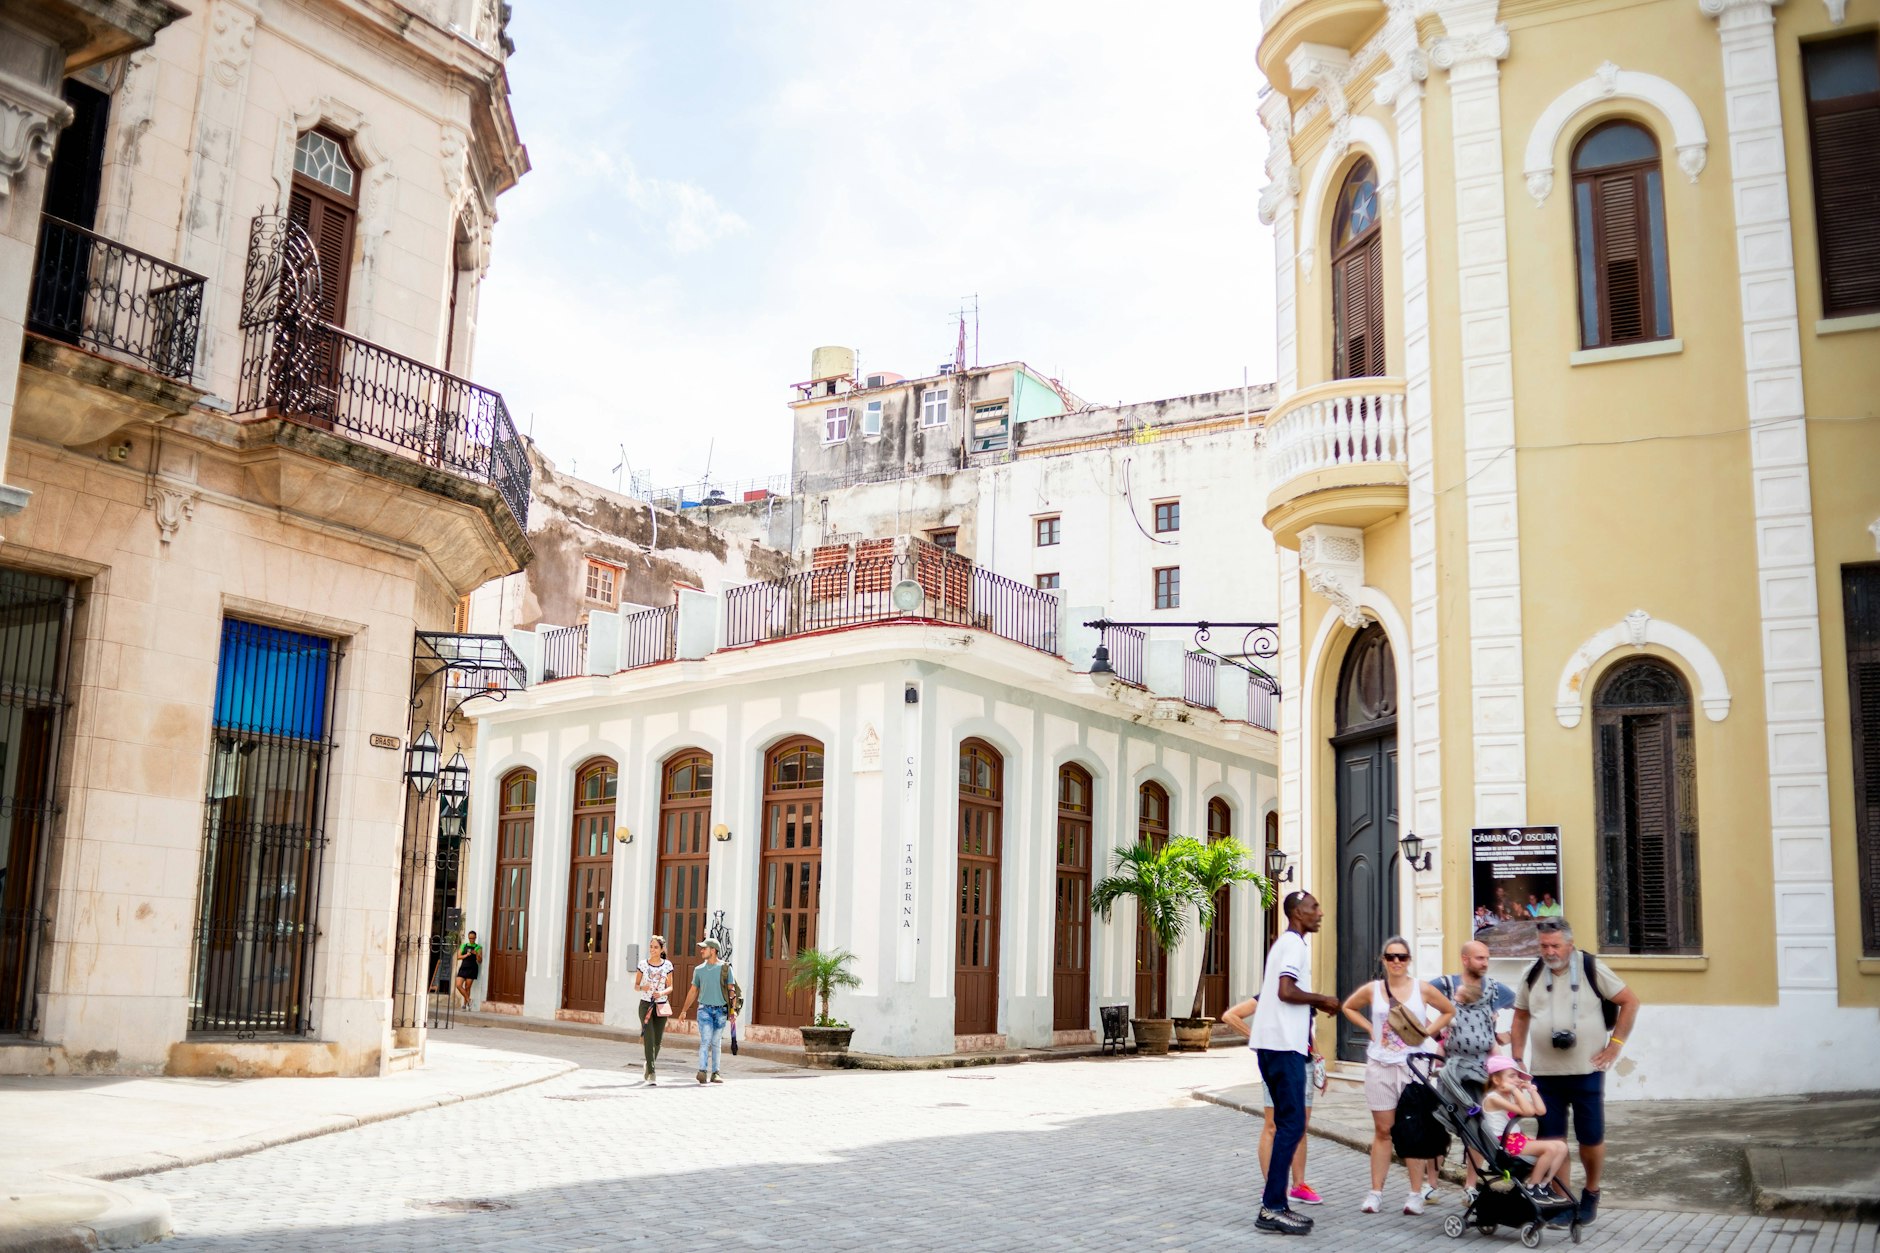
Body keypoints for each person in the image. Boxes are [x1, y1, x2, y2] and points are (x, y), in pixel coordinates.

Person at [1510, 917, 1641, 1228]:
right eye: (1544, 946)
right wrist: (1517, 1059)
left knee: (1590, 1137)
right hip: (1544, 1075)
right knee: (1553, 1140)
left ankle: (1592, 1193)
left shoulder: (1590, 967)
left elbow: (1630, 1001)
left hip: (1587, 1071)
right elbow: (1519, 1017)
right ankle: (1563, 1199)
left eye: (1555, 945)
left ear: (1569, 944)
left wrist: (1615, 1045)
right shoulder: (1532, 974)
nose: (1550, 951)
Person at [1248, 891, 1344, 1237]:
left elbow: (1286, 997)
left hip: (1274, 1045)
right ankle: (1272, 1207)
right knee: (1291, 1126)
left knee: (1289, 1124)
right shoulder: (1294, 945)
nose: (1320, 912)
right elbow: (1285, 991)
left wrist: (1311, 1007)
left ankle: (1276, 1204)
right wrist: (1324, 999)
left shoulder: (1288, 944)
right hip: (1282, 1047)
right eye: (1314, 907)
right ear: (1297, 913)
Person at [1340, 936, 1455, 1216]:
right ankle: (1375, 1192)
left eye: (1401, 957)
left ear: (1409, 960)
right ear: (1383, 960)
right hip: (1380, 1065)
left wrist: (1427, 1033)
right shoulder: (1374, 989)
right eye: (1390, 957)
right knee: (1382, 1131)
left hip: (1412, 1067)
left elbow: (1449, 1010)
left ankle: (1415, 1194)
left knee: (1411, 1130)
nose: (1396, 962)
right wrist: (1369, 1028)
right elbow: (1348, 1007)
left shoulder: (1422, 989)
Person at [1222, 994, 1324, 1207]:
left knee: (1300, 1126)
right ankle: (1272, 1185)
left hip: (1304, 1064)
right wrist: (1259, 1040)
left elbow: (1309, 1030)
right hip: (1279, 1064)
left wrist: (1319, 1060)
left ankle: (1299, 1185)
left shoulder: (1303, 996)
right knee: (1273, 1125)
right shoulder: (1269, 995)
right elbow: (1230, 1016)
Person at [1480, 1056, 1571, 1202]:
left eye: (1517, 1076)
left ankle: (1544, 1183)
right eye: (1512, 1076)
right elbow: (1528, 1112)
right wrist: (1516, 1091)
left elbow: (1541, 1111)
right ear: (1496, 1080)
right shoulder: (1493, 1098)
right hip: (1504, 1143)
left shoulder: (1509, 1097)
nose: (1517, 1080)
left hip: (1517, 1139)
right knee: (1550, 1149)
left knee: (1561, 1147)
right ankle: (1531, 1187)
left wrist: (1532, 1090)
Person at [679, 936, 737, 1085]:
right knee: (705, 1040)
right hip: (704, 1009)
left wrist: (733, 1011)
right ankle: (702, 1071)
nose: (701, 950)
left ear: (713, 950)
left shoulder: (725, 968)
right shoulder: (699, 970)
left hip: (721, 1011)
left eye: (704, 948)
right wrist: (684, 1010)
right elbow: (693, 991)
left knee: (716, 1042)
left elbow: (731, 990)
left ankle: (715, 1073)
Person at [633, 933, 675, 1084]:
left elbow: (671, 987)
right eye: (651, 947)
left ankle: (648, 1064)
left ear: (662, 949)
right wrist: (643, 987)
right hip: (646, 1005)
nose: (652, 950)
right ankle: (652, 1073)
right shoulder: (643, 964)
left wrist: (661, 993)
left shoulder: (668, 965)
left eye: (656, 947)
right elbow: (636, 986)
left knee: (658, 1040)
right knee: (649, 1038)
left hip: (662, 1005)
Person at [453, 931, 482, 1009]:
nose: (471, 940)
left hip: (472, 968)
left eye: (473, 938)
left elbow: (480, 961)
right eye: (470, 938)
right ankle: (469, 999)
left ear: (475, 938)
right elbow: (458, 957)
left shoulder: (478, 947)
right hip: (464, 967)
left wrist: (476, 954)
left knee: (467, 987)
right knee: (458, 985)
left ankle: (465, 1005)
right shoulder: (463, 946)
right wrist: (466, 955)